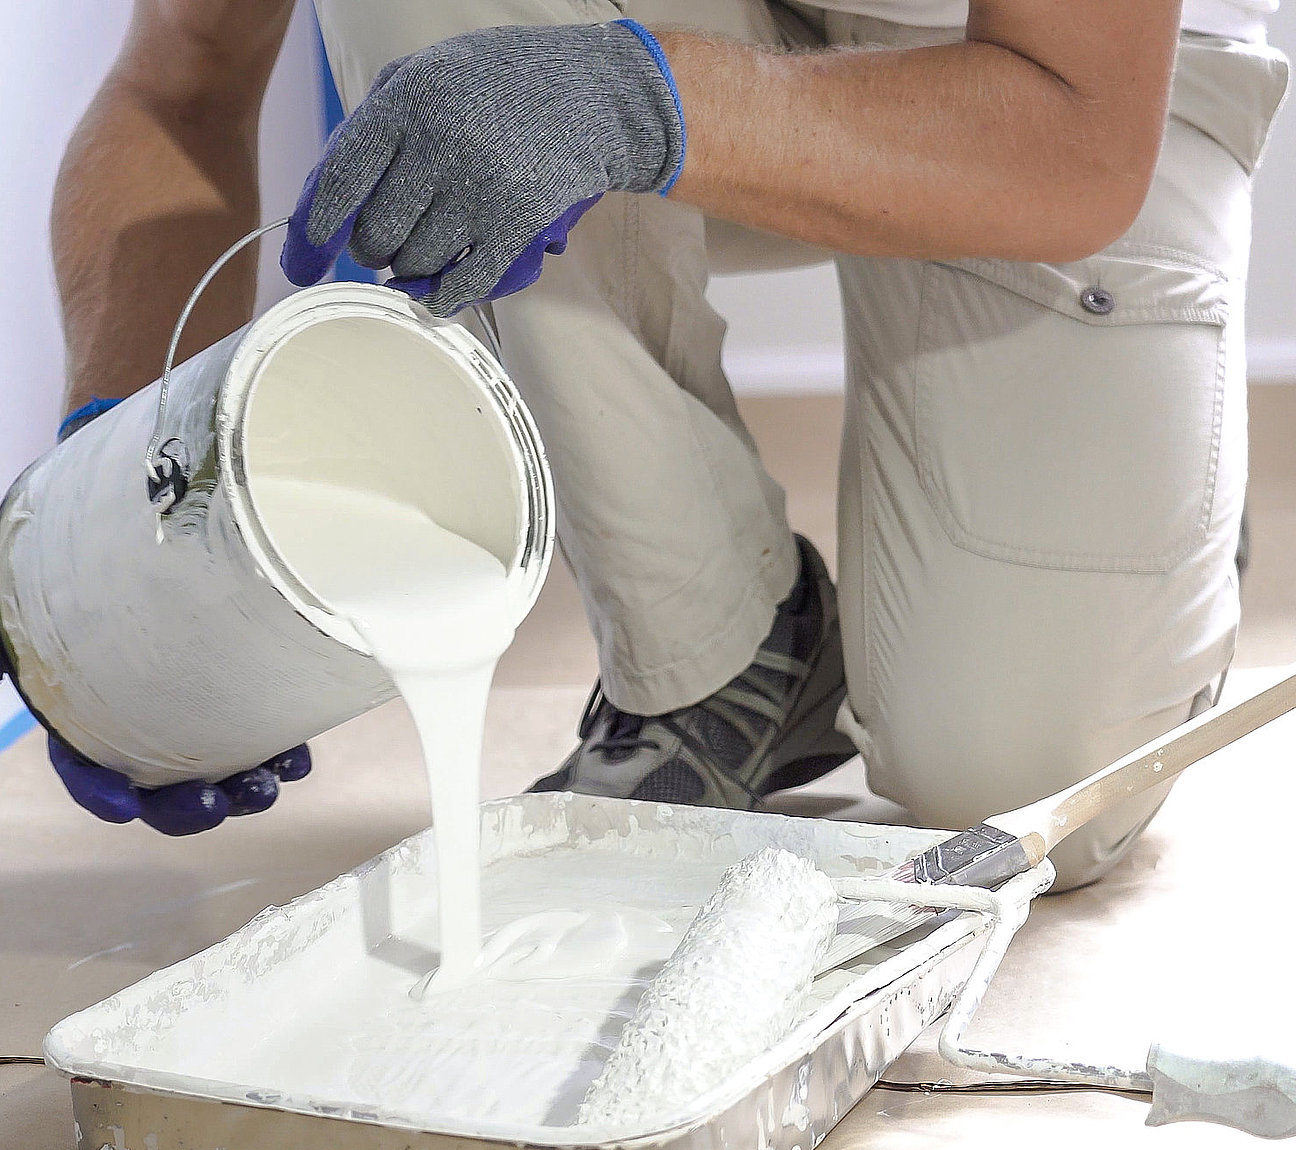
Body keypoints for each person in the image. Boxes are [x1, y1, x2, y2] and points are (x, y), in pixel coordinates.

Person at [24, 0, 1287, 889]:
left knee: (1023, 790)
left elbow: (1075, 130)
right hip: (687, 23)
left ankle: (1170, 494)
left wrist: (642, 99)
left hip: (1052, 88)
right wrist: (109, 506)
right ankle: (720, 654)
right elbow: (182, 76)